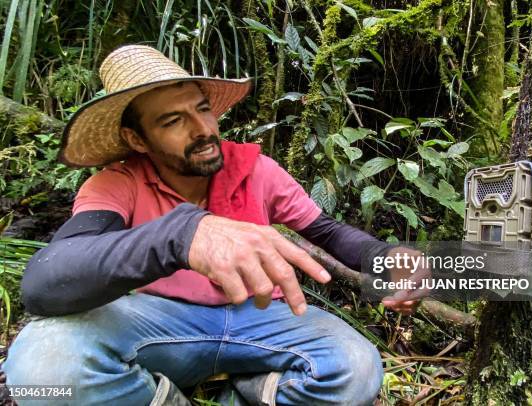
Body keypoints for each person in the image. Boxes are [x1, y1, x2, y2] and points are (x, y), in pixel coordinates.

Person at [2, 45, 420, 406]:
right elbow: (46, 281)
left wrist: (385, 257)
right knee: (43, 371)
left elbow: (325, 231)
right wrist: (181, 235)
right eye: (172, 121)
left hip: (264, 318)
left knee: (357, 369)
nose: (203, 130)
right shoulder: (117, 182)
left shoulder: (257, 169)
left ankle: (251, 388)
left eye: (202, 109)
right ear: (137, 139)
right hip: (161, 322)